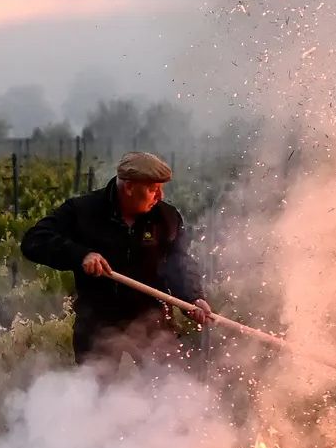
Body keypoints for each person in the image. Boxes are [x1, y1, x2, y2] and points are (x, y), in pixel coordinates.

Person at [22, 151, 213, 364]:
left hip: (152, 323)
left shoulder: (166, 217)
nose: (160, 197)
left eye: (161, 189)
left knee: (162, 386)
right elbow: (34, 241)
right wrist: (80, 255)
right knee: (96, 390)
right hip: (98, 325)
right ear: (129, 187)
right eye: (152, 189)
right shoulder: (82, 211)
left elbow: (179, 262)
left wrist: (193, 298)